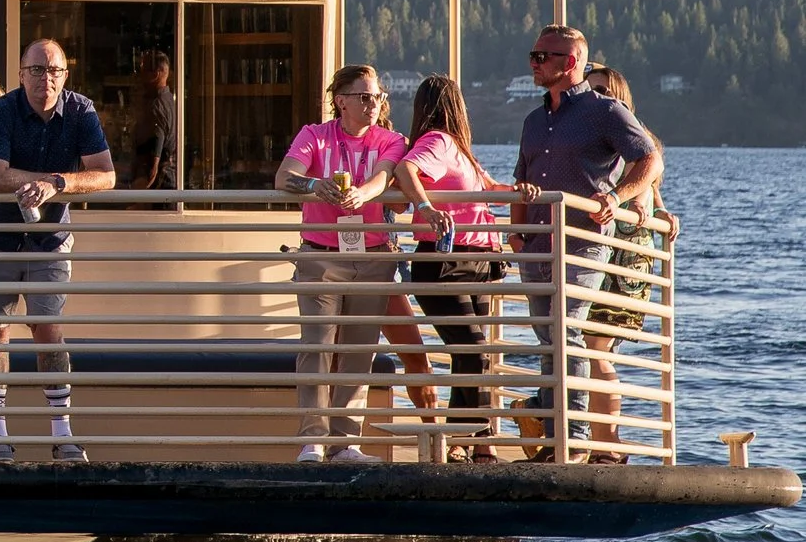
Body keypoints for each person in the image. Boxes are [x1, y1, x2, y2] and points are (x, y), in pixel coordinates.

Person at [509, 25, 661, 460]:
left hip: (581, 241)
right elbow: (523, 176)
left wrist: (616, 197)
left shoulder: (605, 111)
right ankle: (553, 427)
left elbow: (647, 157)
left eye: (543, 56)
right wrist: (516, 234)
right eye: (533, 55)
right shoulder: (534, 120)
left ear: (570, 62)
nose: (535, 63)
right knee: (548, 337)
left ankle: (571, 436)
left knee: (566, 329)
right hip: (537, 243)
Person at [0, 39, 116, 462]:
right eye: (36, 70)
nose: (44, 79)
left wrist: (57, 183)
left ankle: (62, 432)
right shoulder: (0, 110)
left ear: (65, 76)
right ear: (20, 74)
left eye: (53, 71)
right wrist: (45, 179)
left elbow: (106, 175)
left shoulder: (82, 110)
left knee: (48, 329)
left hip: (49, 235)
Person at [275, 62, 409, 462]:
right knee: (316, 345)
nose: (373, 104)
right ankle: (312, 439)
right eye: (364, 97)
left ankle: (345, 442)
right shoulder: (314, 136)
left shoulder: (391, 139)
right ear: (341, 101)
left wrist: (361, 195)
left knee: (359, 349)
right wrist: (318, 186)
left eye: (378, 97)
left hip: (373, 255)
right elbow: (285, 178)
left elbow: (384, 177)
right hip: (320, 255)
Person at [388, 73, 507, 462]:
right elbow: (406, 170)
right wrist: (426, 208)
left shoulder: (459, 150)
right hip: (446, 260)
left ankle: (480, 441)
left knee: (479, 353)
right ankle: (459, 440)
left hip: (477, 261)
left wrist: (525, 191)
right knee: (471, 349)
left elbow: (487, 188)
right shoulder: (437, 142)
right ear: (455, 107)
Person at [581, 65, 676, 460]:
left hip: (622, 264)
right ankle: (589, 436)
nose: (597, 98)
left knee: (596, 349)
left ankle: (609, 442)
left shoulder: (635, 142)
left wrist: (661, 215)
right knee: (582, 349)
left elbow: (646, 195)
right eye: (591, 91)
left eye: (604, 91)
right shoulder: (590, 138)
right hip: (591, 253)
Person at [130, 50, 177, 192]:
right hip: (167, 182)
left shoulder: (156, 106)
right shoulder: (169, 99)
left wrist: (138, 196)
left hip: (159, 188)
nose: (138, 76)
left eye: (143, 71)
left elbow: (153, 162)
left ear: (155, 74)